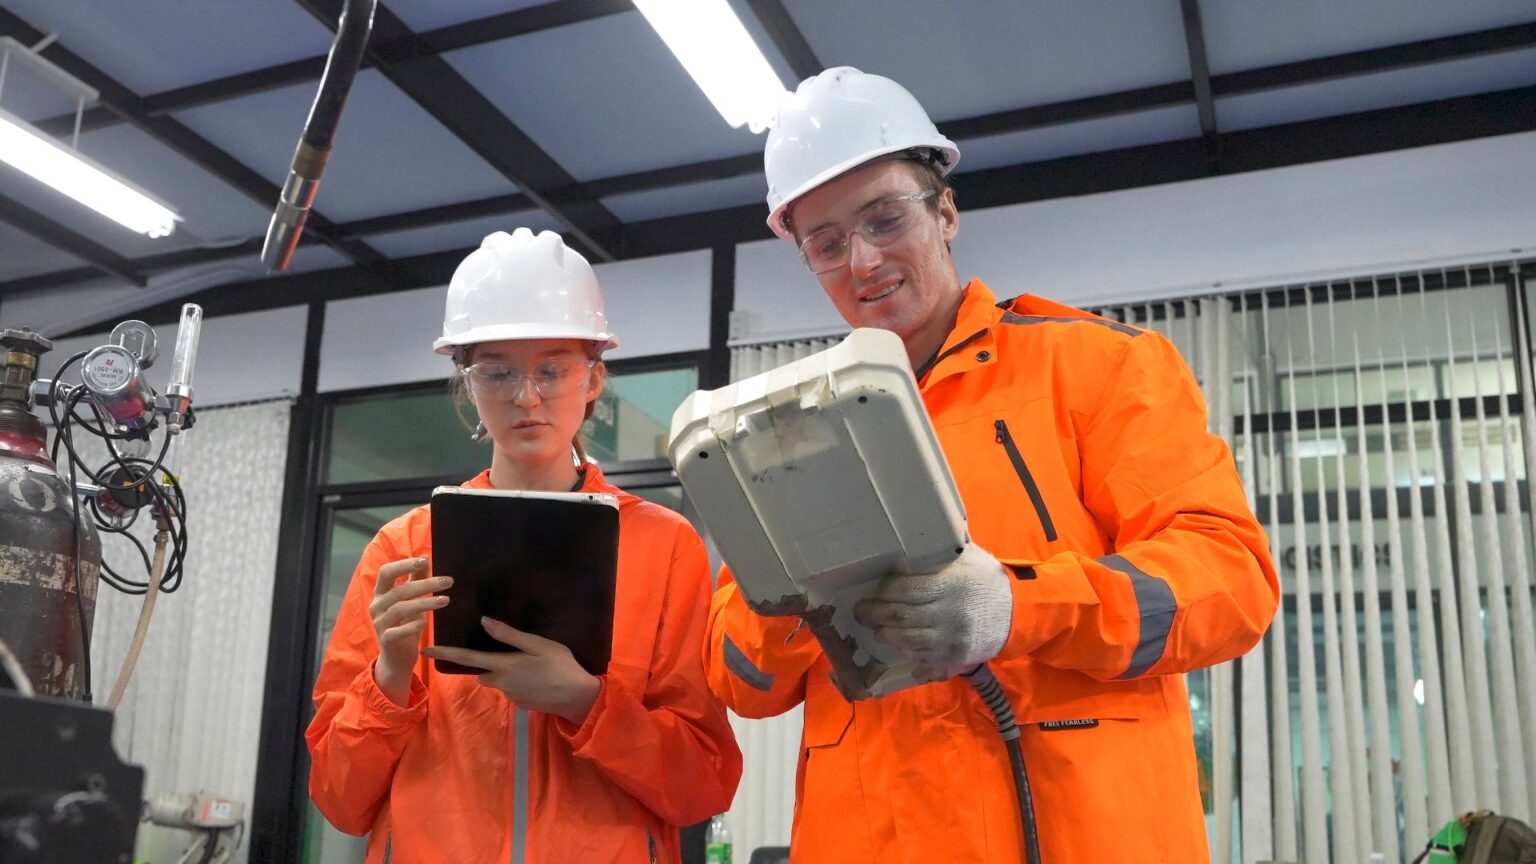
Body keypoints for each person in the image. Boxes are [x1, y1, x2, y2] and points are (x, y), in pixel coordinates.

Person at [703, 68, 1279, 862]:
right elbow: (739, 679)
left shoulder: (1099, 368)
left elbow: (1232, 581)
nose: (862, 261)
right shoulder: (785, 434)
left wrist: (1018, 606)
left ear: (945, 212)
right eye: (827, 245)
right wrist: (794, 592)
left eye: (884, 219)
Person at [308, 228, 742, 863]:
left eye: (553, 370)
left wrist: (586, 702)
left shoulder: (663, 544)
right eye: (498, 372)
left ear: (593, 379)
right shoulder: (402, 547)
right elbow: (338, 799)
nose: (526, 396)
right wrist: (390, 679)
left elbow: (703, 784)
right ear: (469, 384)